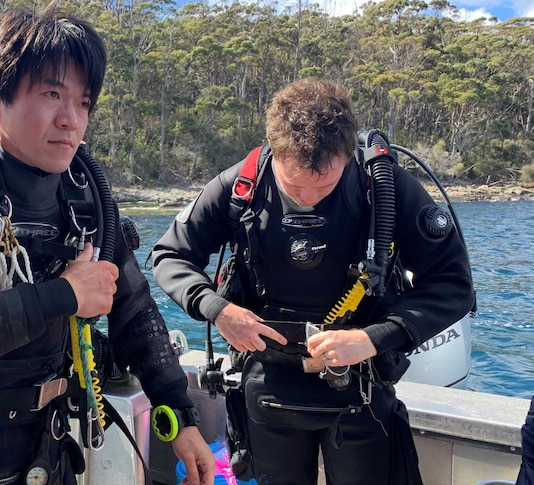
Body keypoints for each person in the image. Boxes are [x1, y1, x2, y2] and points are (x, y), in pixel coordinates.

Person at [0, 4, 215, 485]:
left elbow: (134, 312)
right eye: (52, 94)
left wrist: (182, 416)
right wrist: (64, 294)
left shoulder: (85, 195)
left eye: (84, 103)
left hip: (47, 450)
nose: (71, 120)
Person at [151, 79, 475, 485]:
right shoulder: (242, 185)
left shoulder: (387, 188)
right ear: (274, 151)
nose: (308, 197)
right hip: (267, 385)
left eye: (324, 185)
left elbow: (453, 284)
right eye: (294, 185)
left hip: (361, 385)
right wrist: (217, 309)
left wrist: (374, 337)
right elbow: (168, 255)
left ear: (346, 155)